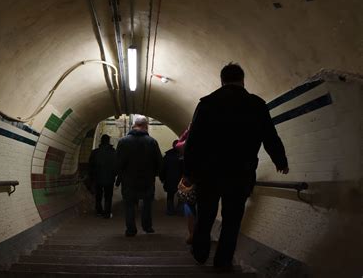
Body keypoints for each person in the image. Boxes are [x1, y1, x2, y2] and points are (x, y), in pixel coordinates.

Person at [184, 63, 289, 268]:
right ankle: (222, 262)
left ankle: (200, 252)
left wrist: (188, 172)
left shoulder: (207, 103)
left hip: (209, 173)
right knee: (232, 220)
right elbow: (270, 136)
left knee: (206, 214)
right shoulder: (256, 104)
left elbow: (193, 141)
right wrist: (280, 160)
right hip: (241, 172)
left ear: (222, 81)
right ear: (243, 80)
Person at [116, 115, 162, 237]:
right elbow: (159, 161)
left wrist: (119, 177)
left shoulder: (123, 142)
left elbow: (119, 162)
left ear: (134, 125)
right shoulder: (152, 142)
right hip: (147, 180)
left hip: (129, 180)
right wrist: (156, 174)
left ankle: (131, 230)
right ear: (146, 126)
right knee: (147, 204)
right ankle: (147, 227)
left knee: (129, 205)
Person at [88, 134, 117, 219]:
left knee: (98, 195)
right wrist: (114, 175)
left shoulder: (95, 152)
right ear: (108, 141)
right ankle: (107, 213)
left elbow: (91, 165)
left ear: (101, 141)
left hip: (98, 177)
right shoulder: (113, 152)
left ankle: (99, 211)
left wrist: (91, 177)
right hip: (109, 178)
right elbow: (116, 165)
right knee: (108, 196)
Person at [160, 140, 181, 215]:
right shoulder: (182, 156)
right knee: (181, 196)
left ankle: (170, 210)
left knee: (170, 195)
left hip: (170, 179)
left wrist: (162, 178)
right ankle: (180, 210)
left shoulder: (167, 156)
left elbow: (163, 168)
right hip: (181, 179)